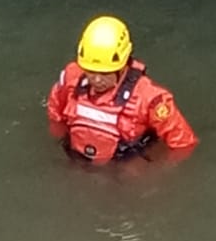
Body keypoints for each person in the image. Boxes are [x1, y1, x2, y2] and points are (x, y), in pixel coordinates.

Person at [48, 15, 198, 165]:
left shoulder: (150, 99)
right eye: (91, 71)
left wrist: (158, 174)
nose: (97, 80)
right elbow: (56, 114)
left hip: (127, 170)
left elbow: (183, 144)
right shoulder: (71, 78)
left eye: (105, 73)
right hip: (76, 161)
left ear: (123, 65)